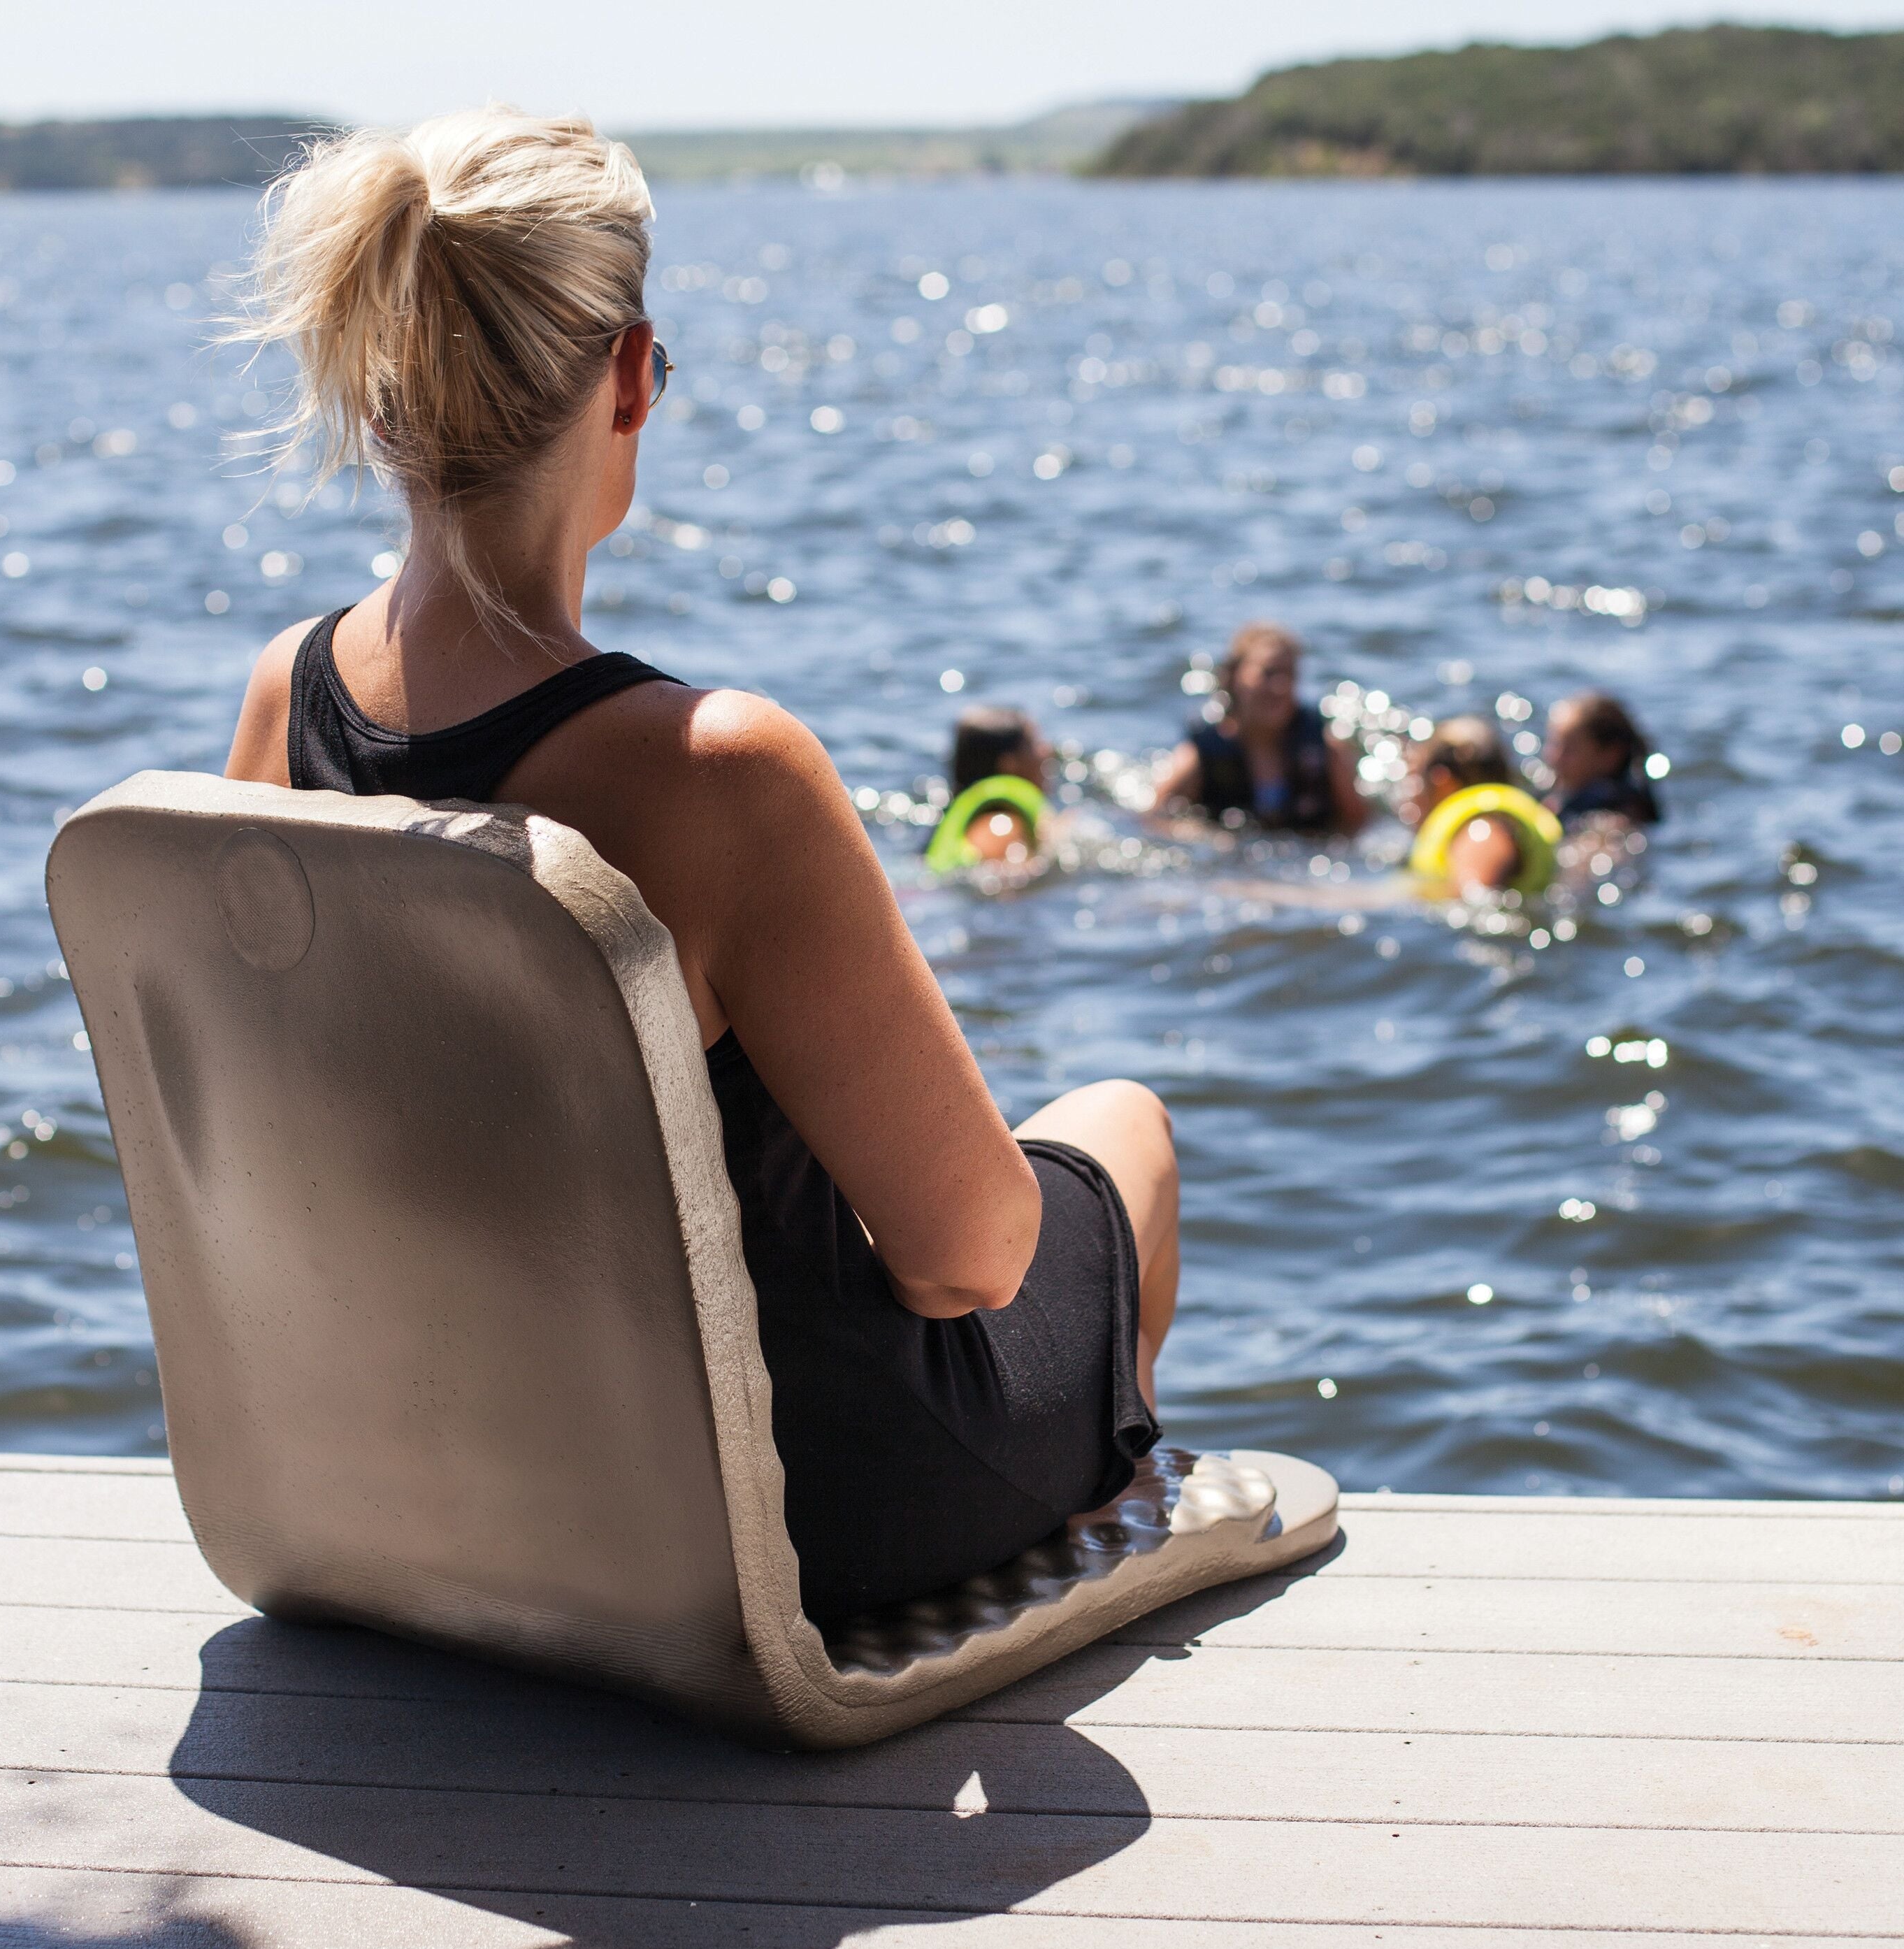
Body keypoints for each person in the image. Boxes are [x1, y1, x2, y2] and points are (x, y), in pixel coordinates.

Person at [219, 108, 1176, 1627]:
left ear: (381, 396)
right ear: (631, 374)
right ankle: (1094, 1527)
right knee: (1118, 1133)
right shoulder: (715, 774)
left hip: (451, 1488)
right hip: (787, 1528)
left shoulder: (286, 698)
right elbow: (967, 1260)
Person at [1150, 621, 1366, 835]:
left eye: (1289, 674)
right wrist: (1205, 837)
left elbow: (1359, 825)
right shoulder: (1202, 755)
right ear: (1234, 677)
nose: (1280, 687)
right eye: (1269, 673)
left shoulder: (1326, 748)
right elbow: (1154, 820)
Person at [1402, 715, 1564, 896]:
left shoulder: (1483, 831)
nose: (1410, 795)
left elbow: (1476, 903)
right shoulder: (1499, 824)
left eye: (1415, 781)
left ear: (1443, 783)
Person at [926, 706, 1051, 871]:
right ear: (1009, 764)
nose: (1047, 751)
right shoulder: (1000, 827)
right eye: (1033, 744)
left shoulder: (975, 820)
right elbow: (1007, 885)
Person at [1543, 689, 1663, 830]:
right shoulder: (1560, 798)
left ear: (1611, 755)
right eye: (1555, 744)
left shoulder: (1616, 821)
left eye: (1570, 749)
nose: (1555, 758)